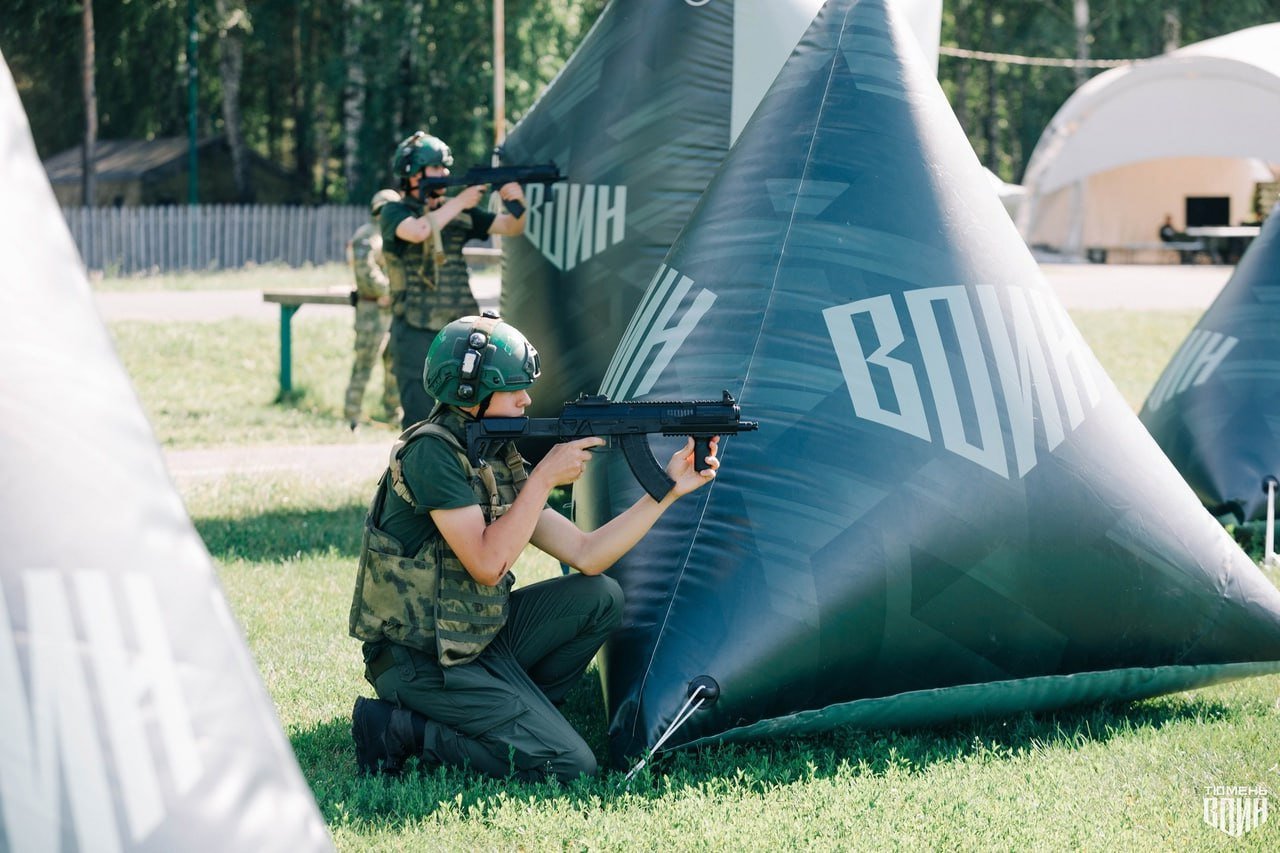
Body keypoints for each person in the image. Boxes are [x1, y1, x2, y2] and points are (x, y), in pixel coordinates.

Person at [347, 311, 721, 782]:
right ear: (472, 395)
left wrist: (665, 490)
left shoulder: (494, 454)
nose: (527, 398)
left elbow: (587, 554)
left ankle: (516, 714)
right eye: (514, 389)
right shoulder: (432, 454)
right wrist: (544, 478)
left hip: (475, 637)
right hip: (419, 658)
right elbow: (486, 564)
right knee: (569, 765)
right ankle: (402, 730)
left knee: (599, 596)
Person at [380, 131, 528, 428]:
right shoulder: (395, 211)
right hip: (415, 328)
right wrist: (461, 201)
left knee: (468, 414)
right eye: (436, 168)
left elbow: (511, 227)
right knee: (419, 418)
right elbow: (419, 231)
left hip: (460, 331)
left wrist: (517, 201)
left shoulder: (456, 210)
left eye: (445, 167)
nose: (444, 174)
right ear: (412, 173)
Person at [343, 189, 403, 430]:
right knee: (365, 363)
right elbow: (366, 273)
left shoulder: (388, 235)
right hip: (371, 311)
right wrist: (389, 291)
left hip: (390, 311)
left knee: (393, 364)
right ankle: (352, 415)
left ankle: (393, 413)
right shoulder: (367, 236)